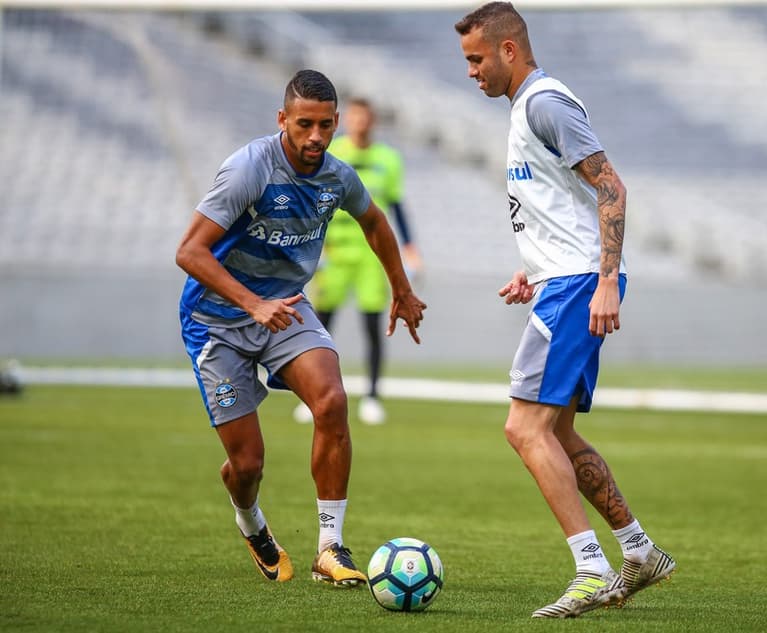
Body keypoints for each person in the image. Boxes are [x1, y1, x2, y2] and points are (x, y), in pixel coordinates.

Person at [455, 2, 675, 619]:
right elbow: (570, 199)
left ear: (508, 50)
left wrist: (603, 279)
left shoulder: (544, 103)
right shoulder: (528, 109)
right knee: (556, 431)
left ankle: (589, 568)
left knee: (522, 428)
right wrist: (539, 266)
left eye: (476, 59)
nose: (470, 72)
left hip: (580, 285)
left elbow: (611, 185)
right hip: (566, 277)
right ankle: (638, 550)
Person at [175, 69, 426, 586]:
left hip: (285, 307)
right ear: (282, 120)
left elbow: (376, 223)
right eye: (305, 124)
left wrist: (401, 289)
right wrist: (251, 303)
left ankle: (330, 548)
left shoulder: (338, 176)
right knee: (247, 465)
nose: (316, 137)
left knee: (332, 401)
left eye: (326, 125)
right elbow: (189, 251)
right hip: (216, 319)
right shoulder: (250, 168)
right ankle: (250, 520)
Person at [292, 97, 423, 426]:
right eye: (354, 117)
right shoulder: (331, 154)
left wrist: (409, 247)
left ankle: (373, 396)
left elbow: (396, 207)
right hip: (335, 252)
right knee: (320, 326)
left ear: (372, 120)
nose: (359, 123)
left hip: (370, 256)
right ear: (345, 120)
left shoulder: (388, 159)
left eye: (364, 118)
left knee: (372, 325)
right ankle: (312, 396)